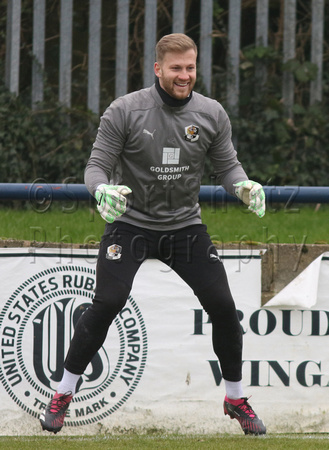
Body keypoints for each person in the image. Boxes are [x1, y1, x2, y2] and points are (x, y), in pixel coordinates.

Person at [40, 33, 266, 435]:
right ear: (158, 68)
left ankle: (235, 399)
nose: (185, 76)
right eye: (176, 68)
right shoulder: (126, 110)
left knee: (224, 308)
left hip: (185, 228)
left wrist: (244, 185)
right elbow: (96, 167)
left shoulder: (212, 114)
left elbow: (228, 167)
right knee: (108, 301)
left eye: (190, 68)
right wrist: (102, 190)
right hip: (130, 225)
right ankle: (63, 393)